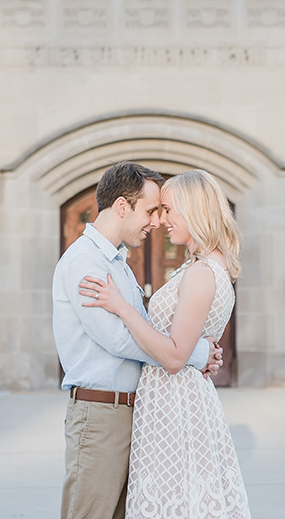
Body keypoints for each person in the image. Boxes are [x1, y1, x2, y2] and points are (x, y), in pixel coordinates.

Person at [52, 162, 223, 519]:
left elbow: (142, 330)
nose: (154, 221)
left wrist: (186, 348)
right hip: (100, 416)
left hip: (132, 412)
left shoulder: (117, 263)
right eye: (149, 210)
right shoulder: (85, 262)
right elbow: (118, 339)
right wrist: (193, 354)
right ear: (121, 207)